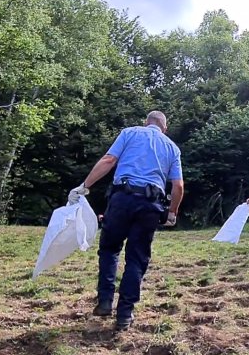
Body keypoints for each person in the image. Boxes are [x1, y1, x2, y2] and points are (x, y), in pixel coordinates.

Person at [67, 110, 184, 331]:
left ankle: (104, 301)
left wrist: (85, 186)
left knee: (110, 249)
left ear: (146, 122)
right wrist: (172, 213)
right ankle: (124, 315)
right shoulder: (172, 147)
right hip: (150, 206)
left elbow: (109, 160)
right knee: (137, 258)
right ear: (164, 128)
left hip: (122, 198)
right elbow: (178, 186)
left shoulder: (129, 133)